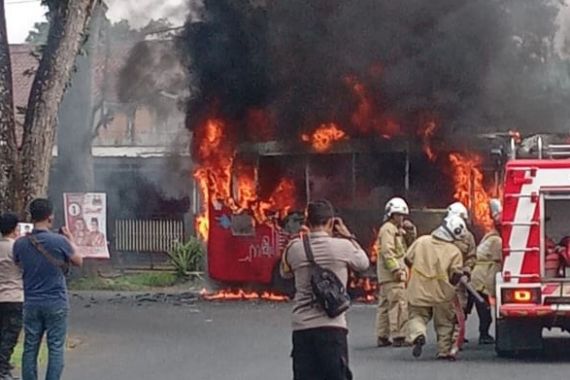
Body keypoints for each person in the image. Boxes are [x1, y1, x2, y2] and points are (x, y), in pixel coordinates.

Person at [280, 200, 369, 380]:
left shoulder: (295, 248)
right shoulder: (344, 247)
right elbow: (363, 263)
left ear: (307, 222)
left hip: (302, 328)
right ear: (331, 222)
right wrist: (348, 236)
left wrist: (297, 240)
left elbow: (284, 273)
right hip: (332, 327)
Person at [13, 199, 83, 380]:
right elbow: (78, 261)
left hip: (31, 302)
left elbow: (18, 263)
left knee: (30, 346)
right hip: (56, 301)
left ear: (31, 217)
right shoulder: (59, 241)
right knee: (56, 346)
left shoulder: (20, 244)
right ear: (50, 217)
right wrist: (71, 239)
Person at [405, 215, 465, 360]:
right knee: (445, 323)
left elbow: (407, 259)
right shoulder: (454, 251)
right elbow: (455, 276)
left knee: (417, 316)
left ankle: (418, 334)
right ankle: (443, 351)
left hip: (418, 289)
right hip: (442, 293)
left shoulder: (421, 241)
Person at [375, 197, 417, 347]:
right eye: (398, 215)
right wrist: (396, 270)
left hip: (387, 276)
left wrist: (410, 230)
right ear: (391, 215)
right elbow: (387, 252)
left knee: (385, 305)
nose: (401, 218)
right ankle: (400, 335)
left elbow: (410, 245)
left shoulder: (397, 230)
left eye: (403, 215)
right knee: (399, 304)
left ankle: (383, 336)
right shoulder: (388, 229)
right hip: (393, 276)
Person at [469, 199, 503, 345]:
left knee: (478, 307)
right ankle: (483, 335)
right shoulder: (497, 241)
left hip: (478, 278)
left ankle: (457, 335)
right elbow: (501, 259)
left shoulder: (491, 236)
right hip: (481, 280)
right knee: (484, 310)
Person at [446, 202, 477, 349]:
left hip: (460, 281)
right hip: (443, 280)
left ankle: (456, 340)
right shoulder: (440, 235)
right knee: (445, 312)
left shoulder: (468, 237)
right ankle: (446, 341)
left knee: (460, 310)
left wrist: (466, 271)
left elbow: (471, 257)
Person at [0, 213, 23, 380]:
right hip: (14, 295)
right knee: (10, 334)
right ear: (15, 228)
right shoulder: (16, 247)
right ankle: (2, 368)